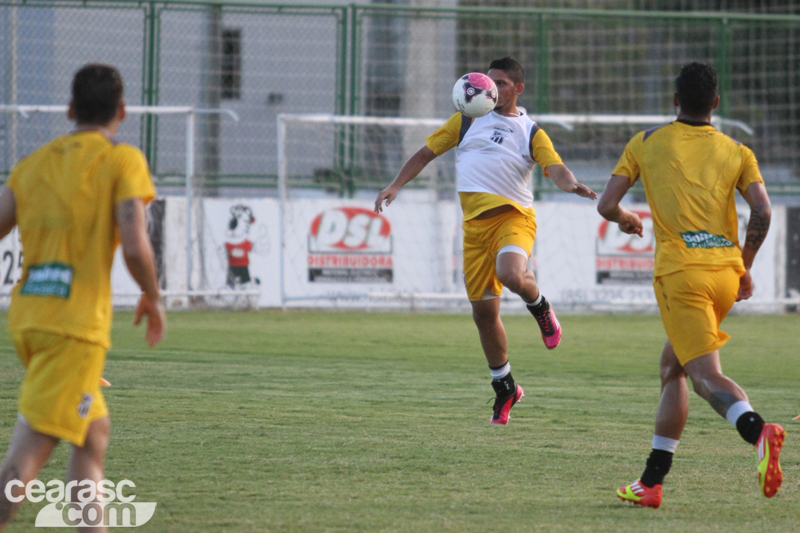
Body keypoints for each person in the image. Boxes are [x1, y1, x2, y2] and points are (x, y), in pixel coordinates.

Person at [597, 62, 784, 508]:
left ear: (675, 100)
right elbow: (763, 211)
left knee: (703, 376)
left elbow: (607, 204)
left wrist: (627, 219)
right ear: (716, 104)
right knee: (672, 368)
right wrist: (744, 266)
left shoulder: (645, 143)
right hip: (723, 273)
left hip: (682, 275)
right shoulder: (738, 150)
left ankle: (758, 431)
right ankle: (651, 482)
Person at [374, 56, 597, 425]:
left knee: (511, 273)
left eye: (501, 84)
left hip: (514, 218)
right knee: (484, 315)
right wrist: (396, 185)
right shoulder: (467, 119)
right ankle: (505, 387)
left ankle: (540, 307)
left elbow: (553, 166)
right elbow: (426, 152)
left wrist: (570, 184)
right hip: (474, 229)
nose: (490, 89)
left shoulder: (530, 131)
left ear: (518, 89)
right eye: (488, 81)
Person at [0, 63, 166, 531]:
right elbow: (134, 242)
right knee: (27, 458)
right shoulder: (120, 158)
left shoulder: (33, 165)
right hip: (72, 328)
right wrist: (153, 297)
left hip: (32, 318)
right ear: (123, 110)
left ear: (70, 109)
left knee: (93, 436)